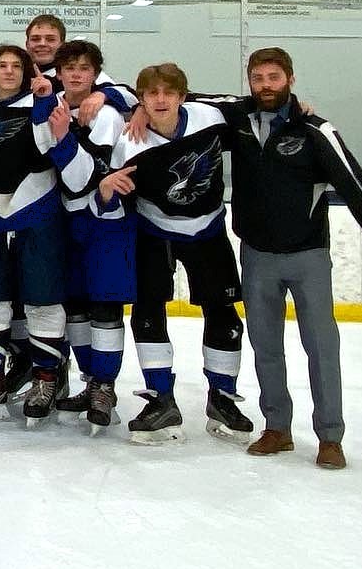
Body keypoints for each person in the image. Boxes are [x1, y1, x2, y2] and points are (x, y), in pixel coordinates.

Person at [221, 48, 362, 470]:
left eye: (274, 77)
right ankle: (277, 428)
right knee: (265, 347)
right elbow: (178, 98)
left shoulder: (315, 130)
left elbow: (357, 187)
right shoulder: (236, 120)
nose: (265, 85)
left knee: (322, 348)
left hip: (308, 257)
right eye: (258, 78)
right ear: (249, 80)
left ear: (290, 79)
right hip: (256, 257)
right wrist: (136, 108)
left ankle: (330, 436)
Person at [99, 63, 250, 445]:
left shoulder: (210, 116)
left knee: (223, 313)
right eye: (151, 94)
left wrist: (299, 108)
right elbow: (111, 196)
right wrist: (106, 191)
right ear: (142, 99)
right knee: (148, 312)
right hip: (155, 231)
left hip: (208, 230)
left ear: (183, 96)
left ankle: (223, 397)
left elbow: (257, 106)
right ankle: (160, 399)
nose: (161, 100)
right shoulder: (129, 143)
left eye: (169, 92)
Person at [0, 44, 67, 423]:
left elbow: (48, 146)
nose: (9, 72)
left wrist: (44, 101)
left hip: (38, 216)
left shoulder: (44, 101)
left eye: (16, 66)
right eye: (2, 66)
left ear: (26, 72)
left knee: (42, 300)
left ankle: (46, 378)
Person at [45, 40, 133, 430]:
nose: (76, 74)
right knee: (76, 307)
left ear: (96, 74)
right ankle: (90, 380)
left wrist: (64, 137)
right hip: (65, 221)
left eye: (84, 68)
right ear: (59, 73)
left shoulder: (107, 114)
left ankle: (105, 385)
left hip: (105, 221)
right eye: (70, 68)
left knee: (105, 306)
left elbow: (85, 179)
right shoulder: (51, 108)